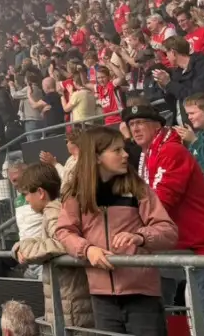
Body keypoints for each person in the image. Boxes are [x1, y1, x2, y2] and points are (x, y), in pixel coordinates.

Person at [123, 103, 204, 336]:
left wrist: (128, 227)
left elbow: (162, 201)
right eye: (132, 124)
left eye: (141, 123)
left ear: (157, 126)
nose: (135, 129)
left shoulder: (170, 152)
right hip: (192, 249)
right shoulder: (150, 154)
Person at [54, 126, 177, 336]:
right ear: (97, 157)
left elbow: (168, 231)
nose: (125, 155)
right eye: (117, 150)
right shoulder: (76, 194)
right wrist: (87, 250)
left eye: (124, 149)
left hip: (142, 295)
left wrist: (139, 237)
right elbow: (64, 232)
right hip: (101, 298)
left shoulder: (138, 189)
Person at [12, 163, 93, 333]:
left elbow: (65, 242)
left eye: (27, 194)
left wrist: (26, 249)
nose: (26, 200)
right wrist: (21, 246)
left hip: (70, 307)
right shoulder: (57, 209)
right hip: (70, 304)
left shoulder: (53, 211)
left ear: (40, 192)